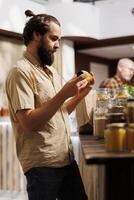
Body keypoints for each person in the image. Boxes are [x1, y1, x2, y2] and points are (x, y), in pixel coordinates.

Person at [5, 10, 94, 200]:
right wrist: (63, 94)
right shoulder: (20, 72)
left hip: (65, 159)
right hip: (42, 164)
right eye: (54, 39)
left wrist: (78, 96)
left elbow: (57, 113)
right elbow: (28, 123)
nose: (58, 45)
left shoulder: (50, 71)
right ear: (37, 35)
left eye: (59, 40)